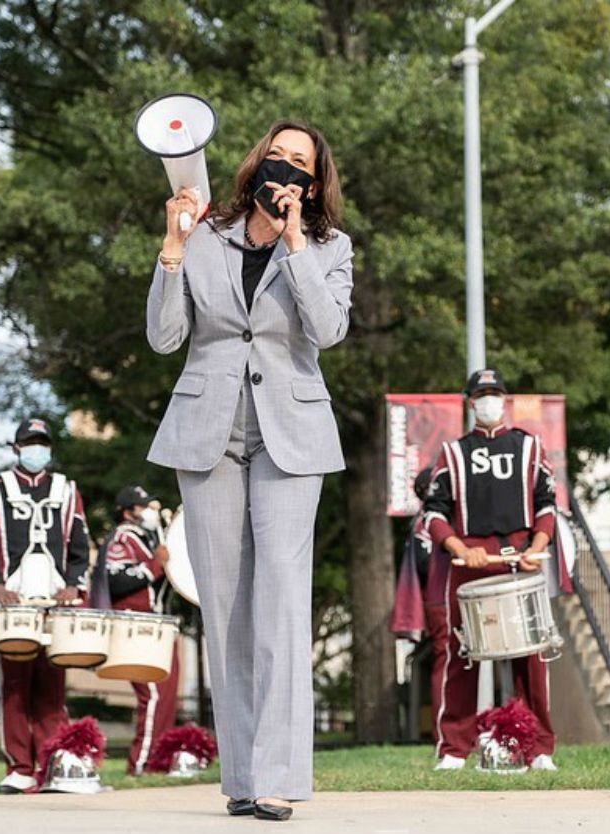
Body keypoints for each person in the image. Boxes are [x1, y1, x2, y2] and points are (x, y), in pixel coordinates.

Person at [147, 118, 352, 820]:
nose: (287, 171)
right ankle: (240, 778)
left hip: (291, 438)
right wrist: (172, 252)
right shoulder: (206, 235)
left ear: (316, 183)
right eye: (278, 157)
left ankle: (278, 777)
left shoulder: (330, 247)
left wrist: (295, 246)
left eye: (302, 164)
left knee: (282, 605)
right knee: (227, 611)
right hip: (208, 435)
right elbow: (166, 336)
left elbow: (327, 332)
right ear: (257, 163)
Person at [422, 369, 569, 771]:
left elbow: (546, 504)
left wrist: (536, 546)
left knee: (531, 654)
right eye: (481, 394)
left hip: (521, 555)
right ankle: (454, 748)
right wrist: (458, 547)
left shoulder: (530, 446)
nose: (489, 401)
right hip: (472, 556)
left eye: (495, 394)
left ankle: (537, 747)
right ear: (470, 402)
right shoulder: (452, 453)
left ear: (504, 400)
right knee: (463, 652)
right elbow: (433, 512)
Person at [0, 417, 90, 793]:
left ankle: (53, 765)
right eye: (29, 442)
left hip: (55, 606)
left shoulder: (68, 490)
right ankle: (19, 768)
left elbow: (80, 549)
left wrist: (72, 586)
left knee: (52, 687)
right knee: (15, 686)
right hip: (12, 607)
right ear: (16, 447)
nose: (36, 448)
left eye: (42, 442)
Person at [103, 485, 180, 775]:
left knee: (164, 692)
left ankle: (159, 759)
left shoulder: (146, 539)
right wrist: (155, 564)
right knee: (153, 693)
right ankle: (143, 763)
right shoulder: (122, 538)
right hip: (135, 624)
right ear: (126, 512)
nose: (149, 511)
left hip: (152, 623)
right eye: (142, 506)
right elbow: (117, 581)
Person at [388, 468, 452, 745]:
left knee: (450, 662)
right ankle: (445, 732)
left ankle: (453, 730)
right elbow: (426, 562)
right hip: (441, 597)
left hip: (440, 597)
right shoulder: (429, 523)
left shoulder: (421, 521)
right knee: (448, 661)